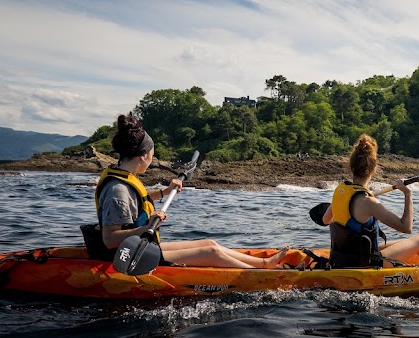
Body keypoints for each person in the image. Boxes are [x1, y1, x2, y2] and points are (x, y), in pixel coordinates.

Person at [90, 114, 289, 268]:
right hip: (129, 256)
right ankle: (261, 276)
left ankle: (264, 264)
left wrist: (165, 192)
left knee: (210, 242)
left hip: (142, 248)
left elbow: (137, 201)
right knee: (211, 252)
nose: (153, 157)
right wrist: (146, 227)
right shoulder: (118, 190)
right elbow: (109, 240)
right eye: (152, 153)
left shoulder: (125, 180)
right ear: (143, 156)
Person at [320, 134, 419, 268]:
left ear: (351, 166)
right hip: (365, 263)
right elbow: (406, 228)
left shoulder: (340, 191)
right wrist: (407, 194)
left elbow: (326, 220)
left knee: (403, 243)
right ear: (374, 169)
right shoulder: (369, 202)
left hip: (343, 258)